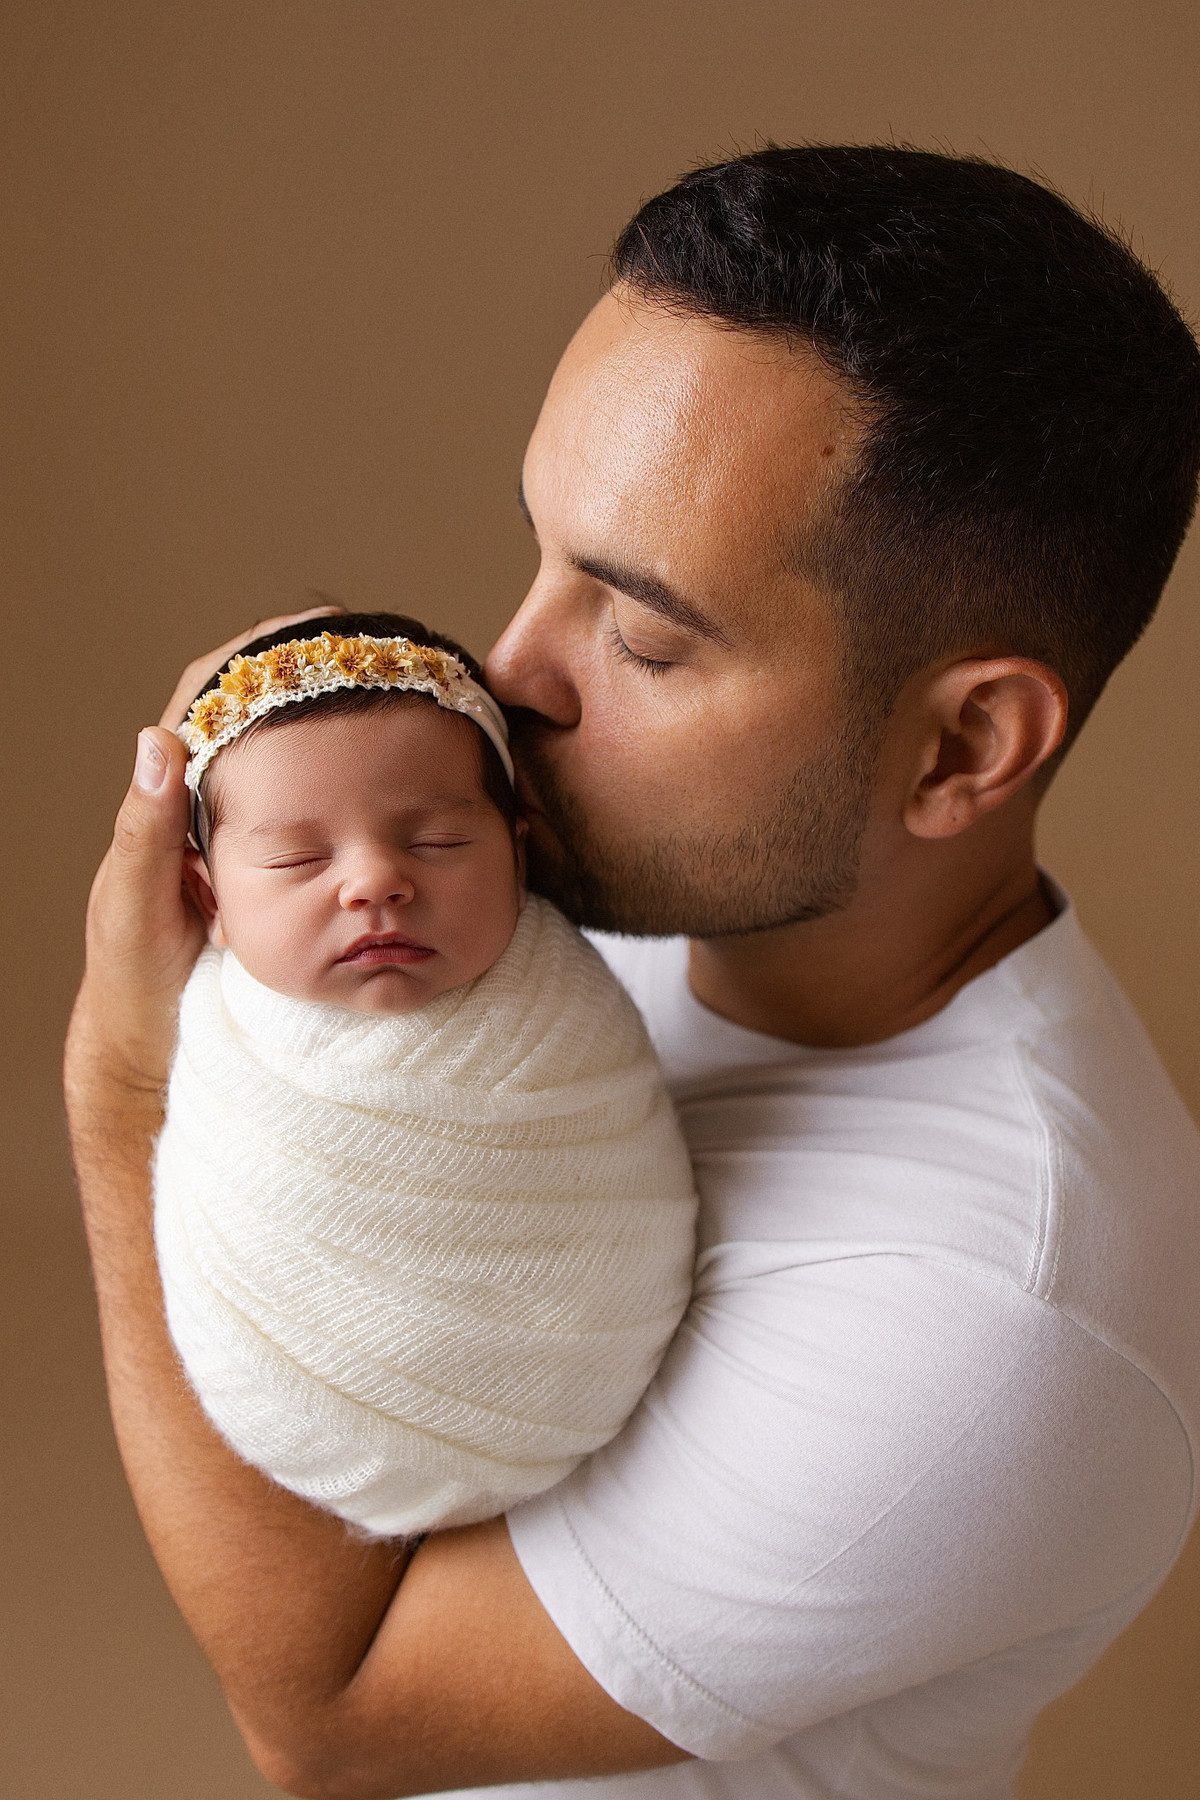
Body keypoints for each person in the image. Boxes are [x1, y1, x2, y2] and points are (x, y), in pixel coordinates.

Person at [64, 144, 1200, 1800]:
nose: (507, 670)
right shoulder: (555, 890)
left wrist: (126, 1086)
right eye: (541, 553)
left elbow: (329, 1720)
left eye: (647, 636)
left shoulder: (990, 1314)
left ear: (964, 746)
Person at [154, 612, 695, 1539]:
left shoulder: (564, 1005)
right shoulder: (224, 1039)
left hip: (584, 1371)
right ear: (210, 898)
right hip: (308, 1412)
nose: (374, 882)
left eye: (439, 841)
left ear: (519, 852)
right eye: (297, 859)